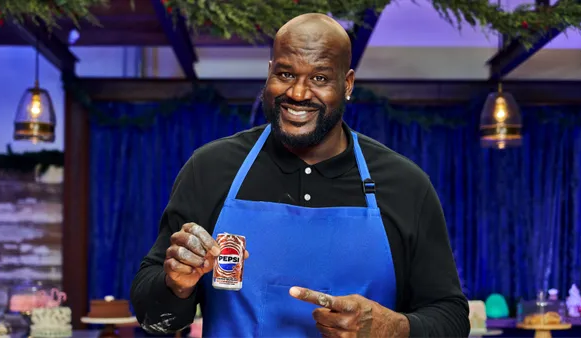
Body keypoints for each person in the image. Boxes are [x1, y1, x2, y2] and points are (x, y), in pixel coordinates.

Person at [131, 13, 470, 337]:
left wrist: (395, 329)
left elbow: (452, 318)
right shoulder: (211, 169)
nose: (297, 93)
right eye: (286, 74)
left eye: (320, 78)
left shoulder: (405, 185)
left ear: (347, 84)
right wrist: (176, 284)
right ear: (269, 73)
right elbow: (153, 319)